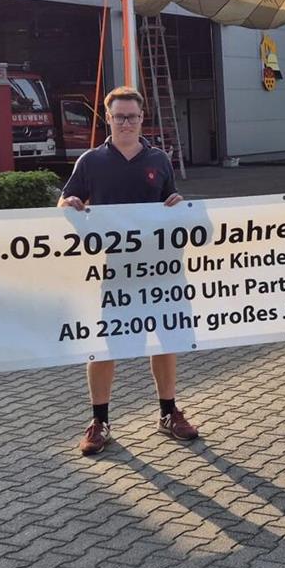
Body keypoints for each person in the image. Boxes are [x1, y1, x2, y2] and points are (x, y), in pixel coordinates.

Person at [59, 86, 197, 455]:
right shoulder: (90, 161)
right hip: (115, 270)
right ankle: (99, 420)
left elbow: (172, 201)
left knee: (167, 338)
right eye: (119, 117)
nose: (126, 123)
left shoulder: (159, 160)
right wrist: (69, 204)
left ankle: (168, 413)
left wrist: (178, 204)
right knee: (105, 346)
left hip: (161, 268)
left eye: (132, 117)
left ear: (141, 118)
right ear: (108, 118)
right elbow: (66, 201)